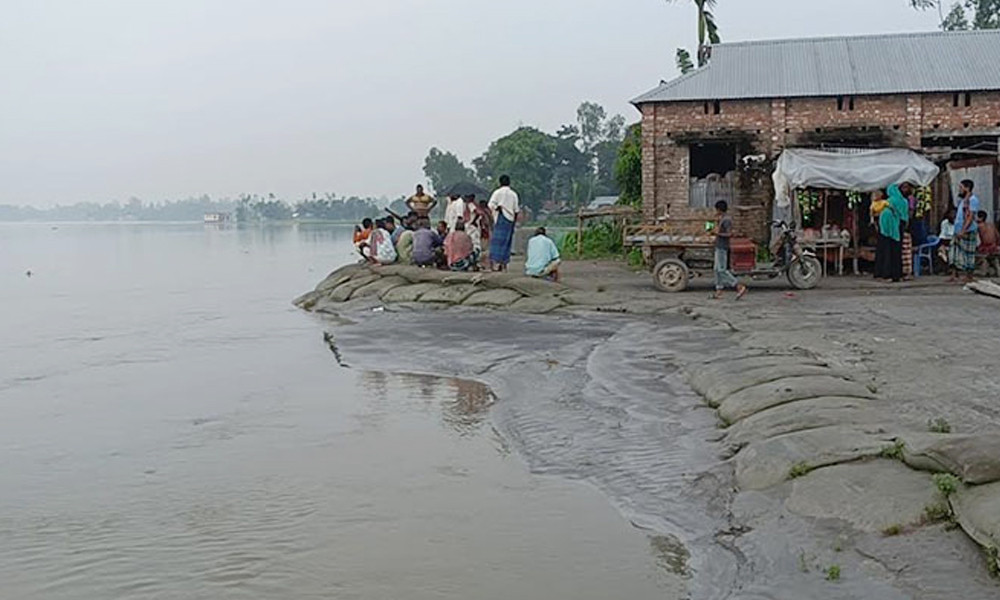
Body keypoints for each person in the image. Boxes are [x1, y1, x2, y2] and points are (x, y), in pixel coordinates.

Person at [712, 201, 748, 300]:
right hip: (718, 246)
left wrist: (717, 234)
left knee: (722, 270)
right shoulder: (722, 219)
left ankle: (739, 286)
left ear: (719, 209)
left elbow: (729, 234)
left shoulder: (727, 220)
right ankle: (719, 291)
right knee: (716, 270)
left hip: (723, 247)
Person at [874, 184, 907, 282]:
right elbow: (905, 216)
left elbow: (878, 213)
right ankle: (898, 274)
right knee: (897, 252)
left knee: (886, 252)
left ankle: (886, 274)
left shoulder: (888, 202)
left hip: (886, 230)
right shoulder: (904, 201)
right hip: (899, 227)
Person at [488, 175, 519, 271]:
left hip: (500, 219)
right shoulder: (513, 194)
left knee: (496, 242)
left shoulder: (497, 193)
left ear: (500, 182)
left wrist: (498, 209)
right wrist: (514, 221)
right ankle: (504, 264)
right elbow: (516, 210)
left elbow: (490, 205)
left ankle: (496, 264)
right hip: (510, 220)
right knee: (507, 242)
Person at [951, 179, 980, 283]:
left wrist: (964, 230)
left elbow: (970, 217)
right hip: (958, 229)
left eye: (961, 187)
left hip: (968, 230)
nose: (960, 189)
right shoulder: (963, 200)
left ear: (967, 188)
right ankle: (955, 274)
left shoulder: (973, 200)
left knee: (969, 253)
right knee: (955, 252)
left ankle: (969, 276)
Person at [977, 211, 999, 277]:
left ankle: (984, 271)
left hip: (986, 247)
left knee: (983, 258)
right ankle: (997, 270)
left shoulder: (979, 226)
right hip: (994, 245)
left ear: (981, 218)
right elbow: (998, 236)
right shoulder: (991, 225)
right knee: (993, 259)